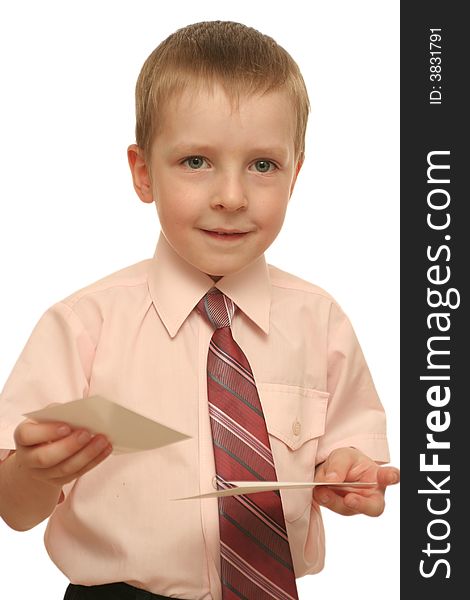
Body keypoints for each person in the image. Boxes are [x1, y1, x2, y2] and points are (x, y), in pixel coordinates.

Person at [0, 20, 399, 600]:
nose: (232, 196)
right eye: (195, 162)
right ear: (143, 172)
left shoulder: (322, 322)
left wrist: (349, 474)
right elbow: (14, 509)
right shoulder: (83, 325)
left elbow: (353, 452)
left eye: (263, 165)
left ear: (296, 174)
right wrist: (32, 473)